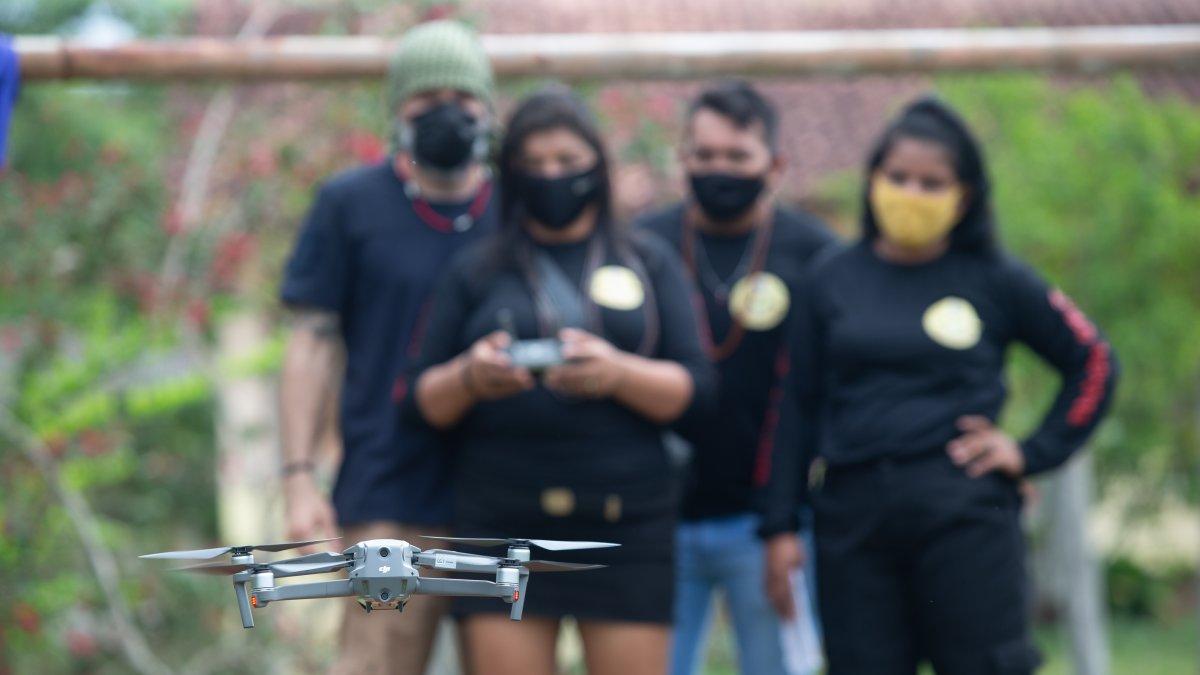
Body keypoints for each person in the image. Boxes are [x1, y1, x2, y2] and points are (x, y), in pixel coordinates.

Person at [759, 96, 1119, 674]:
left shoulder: (996, 277)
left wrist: (1029, 452)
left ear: (965, 196)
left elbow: (1095, 362)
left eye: (932, 183)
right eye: (898, 178)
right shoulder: (829, 278)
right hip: (853, 522)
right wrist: (778, 526)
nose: (912, 194)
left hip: (964, 518)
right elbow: (792, 407)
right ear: (872, 181)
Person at [405, 88, 715, 675]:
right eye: (536, 164)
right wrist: (471, 376)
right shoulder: (476, 269)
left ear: (598, 164)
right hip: (499, 524)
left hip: (626, 526)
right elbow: (421, 402)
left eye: (568, 163)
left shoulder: (650, 260)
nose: (553, 176)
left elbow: (698, 393)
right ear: (511, 174)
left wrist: (617, 373)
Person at [277, 20, 498, 675]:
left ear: (489, 108)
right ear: (396, 111)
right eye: (425, 102)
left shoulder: (519, 203)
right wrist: (297, 478)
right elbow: (311, 341)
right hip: (386, 489)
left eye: (463, 99)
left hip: (501, 484)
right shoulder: (349, 203)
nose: (447, 115)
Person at [637, 80, 834, 675]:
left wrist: (786, 520)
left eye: (737, 157)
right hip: (658, 520)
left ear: (774, 164)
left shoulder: (818, 255)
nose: (720, 169)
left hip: (772, 526)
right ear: (684, 160)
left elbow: (822, 396)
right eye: (706, 156)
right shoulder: (643, 246)